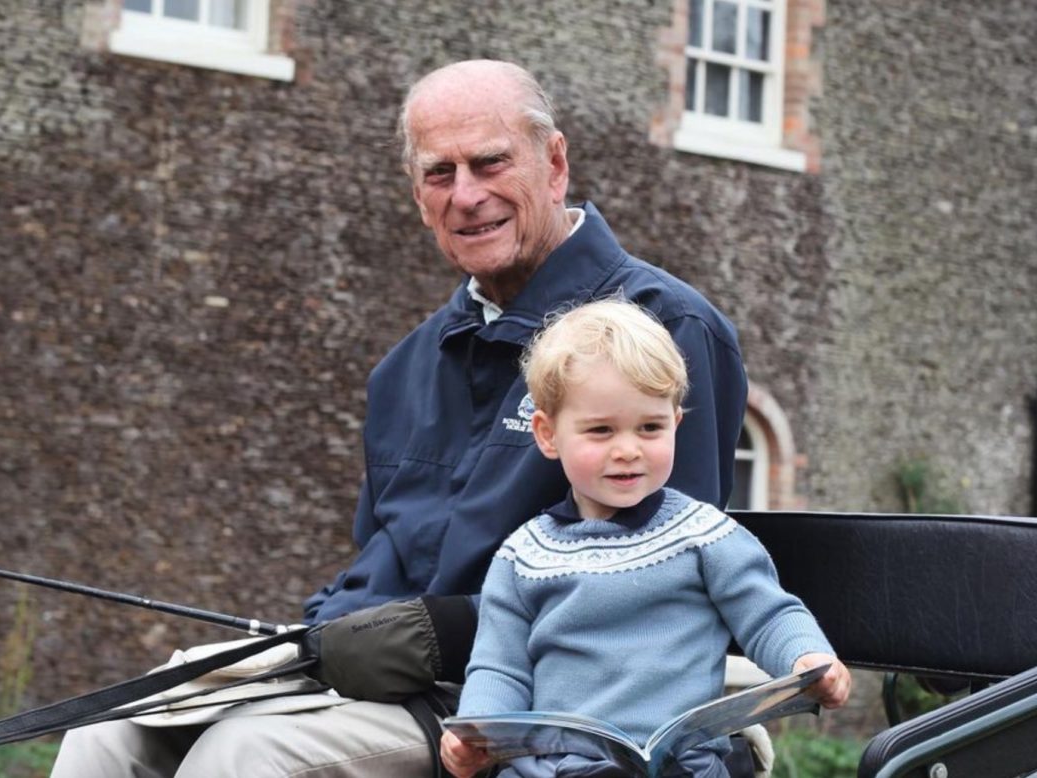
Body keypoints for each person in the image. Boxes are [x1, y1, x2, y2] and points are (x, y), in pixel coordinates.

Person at [51, 59, 748, 778]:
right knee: (107, 734)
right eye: (439, 174)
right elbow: (382, 562)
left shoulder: (665, 327)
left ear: (555, 163)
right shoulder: (405, 369)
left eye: (489, 162)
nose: (467, 195)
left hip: (546, 707)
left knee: (245, 758)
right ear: (417, 196)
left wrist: (440, 633)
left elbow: (663, 585)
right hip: (382, 687)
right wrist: (325, 629)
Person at [439, 300, 851, 778]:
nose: (628, 450)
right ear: (548, 435)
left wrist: (808, 657)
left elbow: (768, 614)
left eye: (650, 427)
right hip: (555, 769)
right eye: (601, 431)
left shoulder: (705, 536)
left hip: (681, 764)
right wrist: (477, 733)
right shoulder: (524, 558)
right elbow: (499, 667)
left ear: (676, 423)